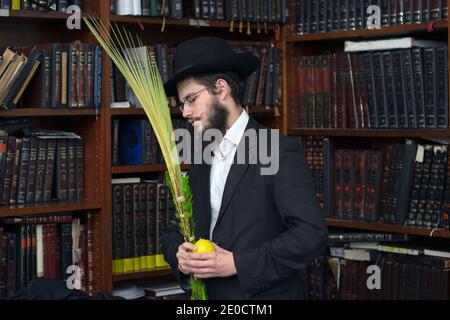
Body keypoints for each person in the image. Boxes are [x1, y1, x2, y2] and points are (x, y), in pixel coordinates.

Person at [161, 37, 328, 300]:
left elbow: (310, 235)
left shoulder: (276, 149)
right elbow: (175, 227)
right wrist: (178, 255)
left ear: (221, 89)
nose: (185, 112)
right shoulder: (200, 152)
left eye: (191, 99)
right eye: (182, 104)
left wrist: (237, 263)